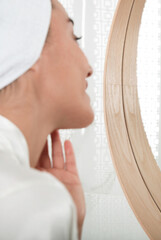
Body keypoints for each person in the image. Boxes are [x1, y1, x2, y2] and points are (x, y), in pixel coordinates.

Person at [0, 0, 93, 239]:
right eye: (74, 37)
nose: (89, 66)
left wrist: (71, 224)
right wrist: (49, 207)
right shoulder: (30, 202)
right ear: (28, 48)